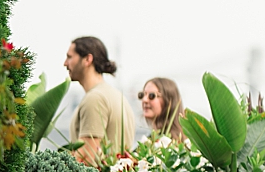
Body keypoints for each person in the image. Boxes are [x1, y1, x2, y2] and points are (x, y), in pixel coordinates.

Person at [63, 36, 136, 164]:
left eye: (70, 57)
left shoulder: (94, 99)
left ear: (87, 59)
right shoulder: (116, 96)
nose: (65, 63)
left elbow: (85, 159)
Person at [137, 77, 187, 143]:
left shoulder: (176, 144)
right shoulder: (149, 141)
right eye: (142, 95)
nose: (144, 100)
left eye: (152, 95)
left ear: (169, 101)